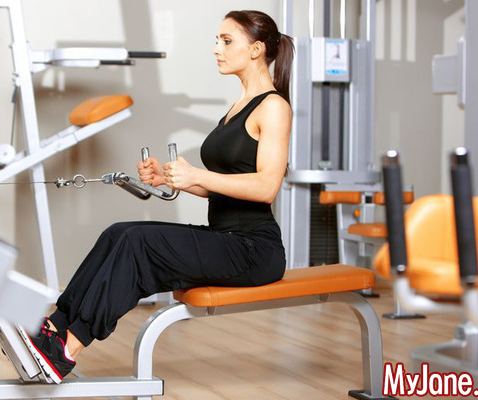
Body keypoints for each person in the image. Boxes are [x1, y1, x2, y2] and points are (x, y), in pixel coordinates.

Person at [21, 10, 294, 383]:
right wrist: (170, 178)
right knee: (119, 232)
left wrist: (197, 174)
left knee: (139, 243)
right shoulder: (238, 107)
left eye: (227, 41)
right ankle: (55, 326)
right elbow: (224, 185)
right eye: (217, 40)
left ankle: (69, 348)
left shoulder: (274, 107)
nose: (216, 48)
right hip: (225, 237)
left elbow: (266, 187)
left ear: (256, 49)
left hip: (254, 249)